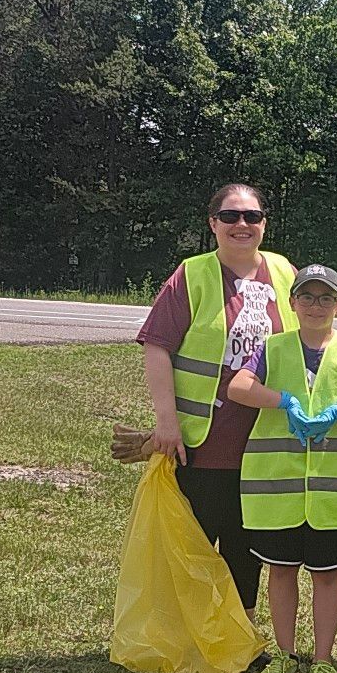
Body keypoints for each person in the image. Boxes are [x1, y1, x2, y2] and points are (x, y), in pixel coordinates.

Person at [227, 265, 337, 673]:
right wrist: (283, 400)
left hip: (330, 495)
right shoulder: (273, 347)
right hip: (280, 489)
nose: (316, 306)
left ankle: (322, 661)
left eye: (325, 299)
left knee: (325, 575)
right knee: (280, 571)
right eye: (307, 297)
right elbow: (239, 388)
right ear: (293, 303)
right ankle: (285, 656)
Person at [132, 182, 296, 613]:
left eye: (252, 216)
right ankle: (192, 637)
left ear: (264, 223)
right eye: (230, 216)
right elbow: (157, 346)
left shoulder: (284, 272)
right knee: (195, 549)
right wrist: (166, 423)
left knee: (247, 552)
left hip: (264, 444)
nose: (242, 225)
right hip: (202, 443)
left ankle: (237, 637)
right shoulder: (193, 273)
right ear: (213, 223)